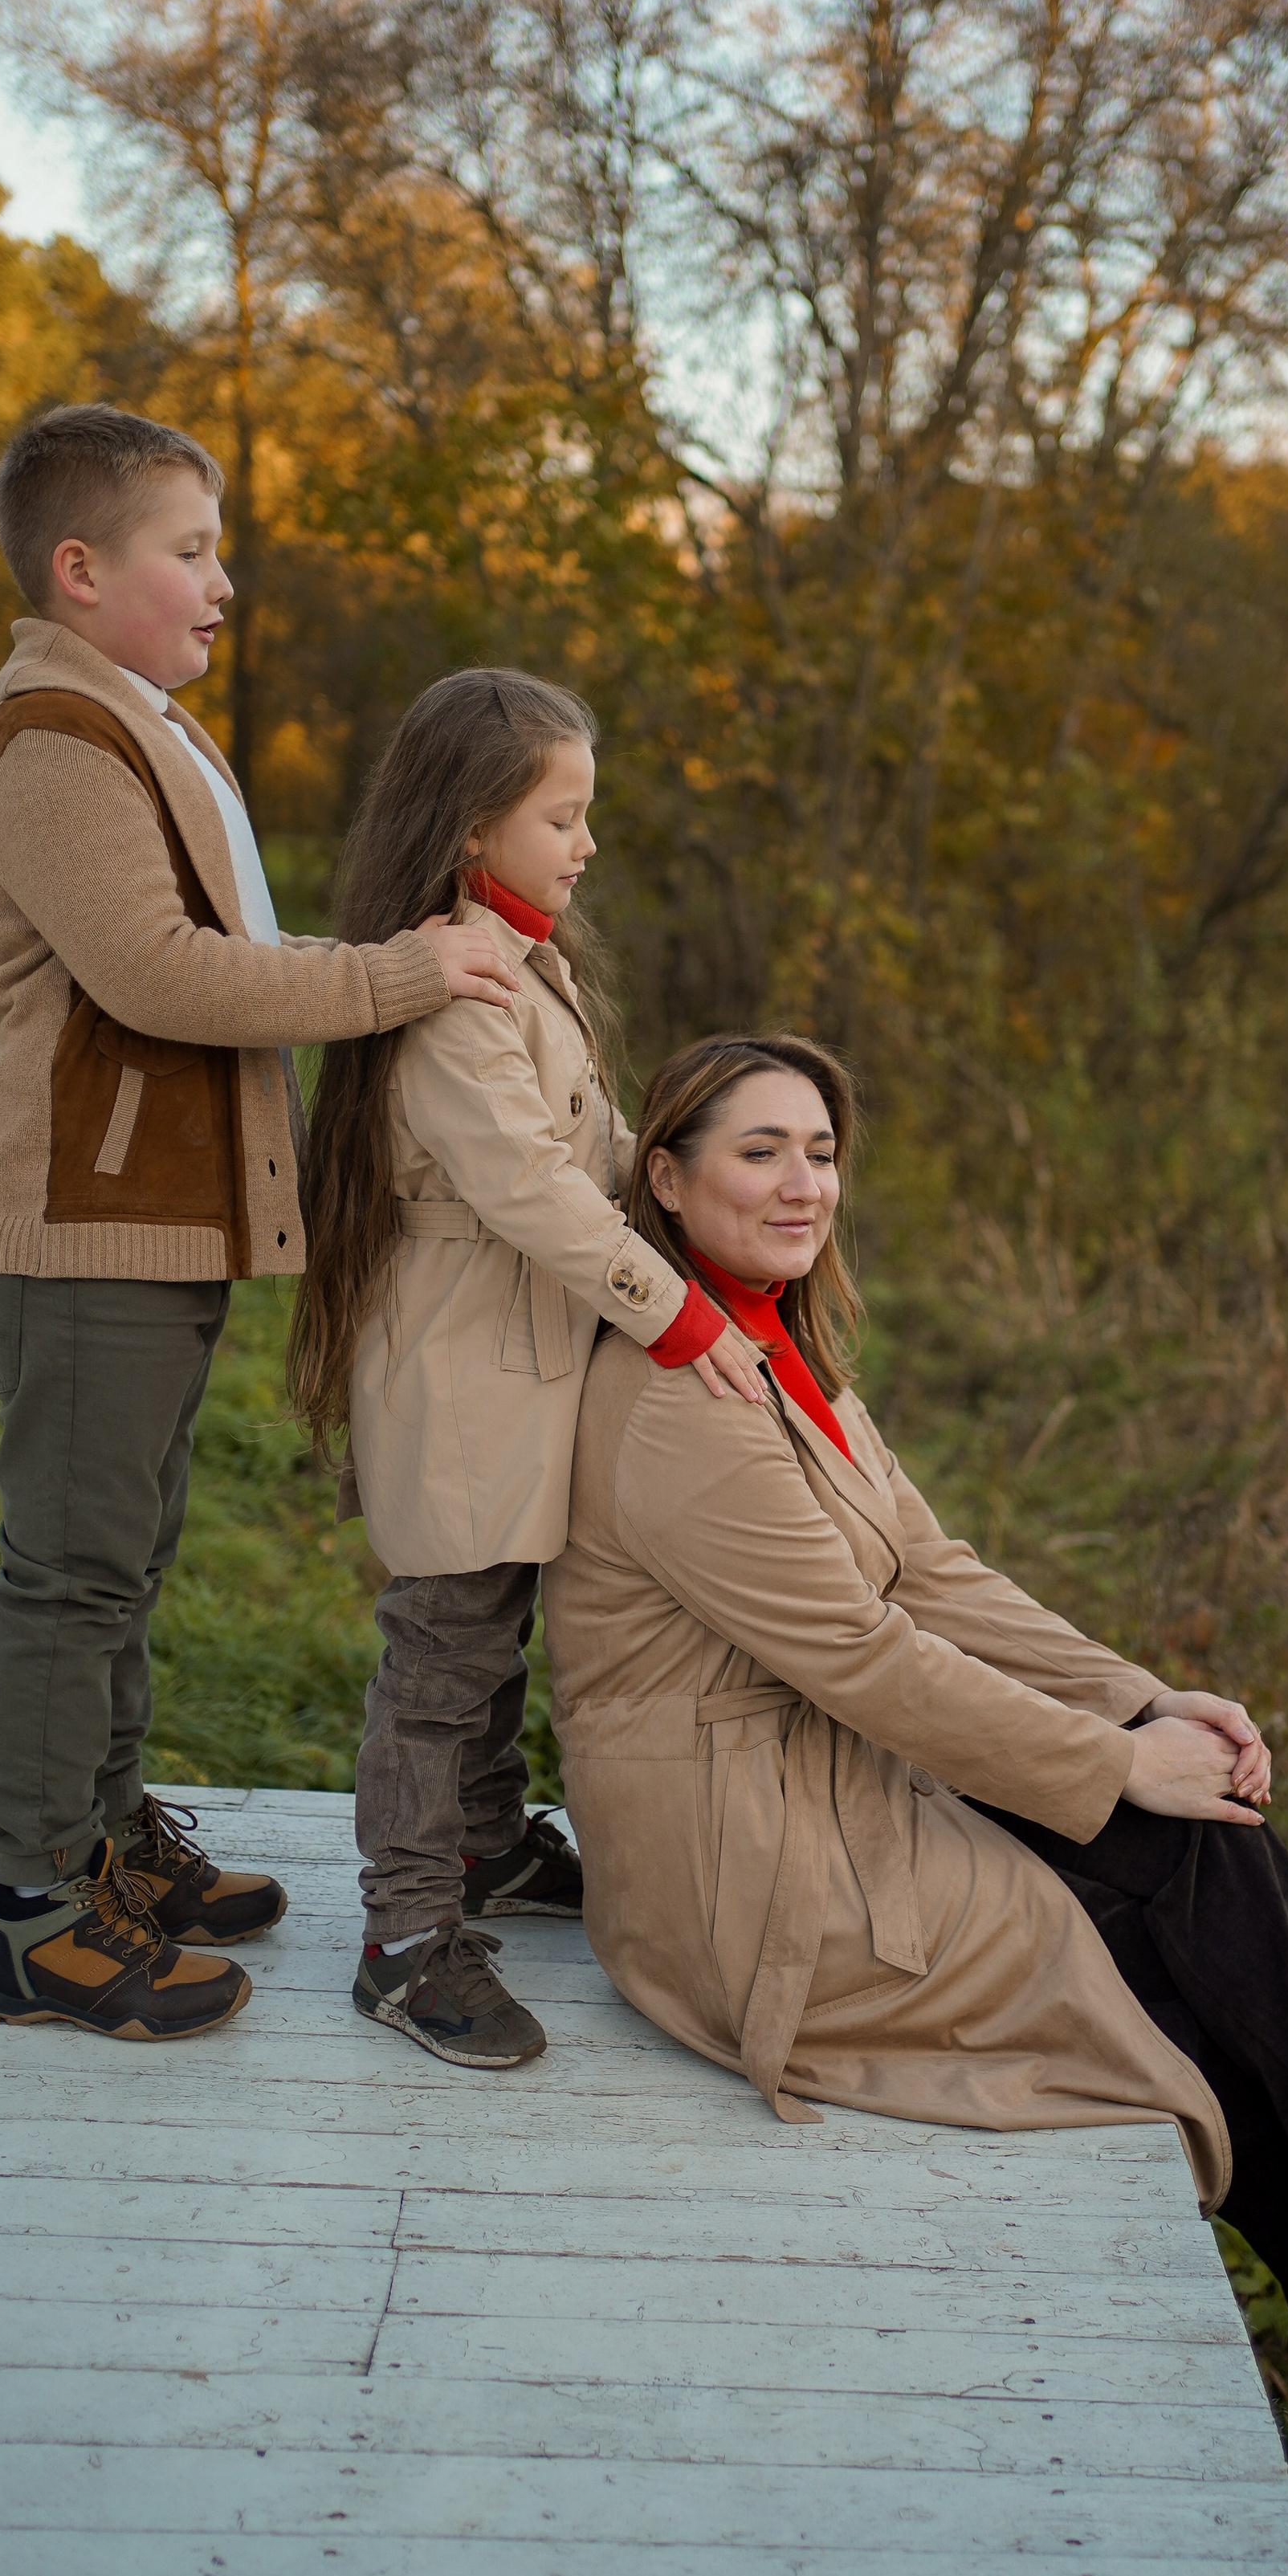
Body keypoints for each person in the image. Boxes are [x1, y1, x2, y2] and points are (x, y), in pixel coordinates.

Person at [541, 1033, 1288, 2452]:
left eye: (821, 1152)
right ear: (664, 1174)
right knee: (1166, 1952)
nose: (801, 1186)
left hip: (820, 1789)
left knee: (1202, 1869)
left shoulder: (768, 1349)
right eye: (759, 1151)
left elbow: (933, 1571)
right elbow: (861, 1655)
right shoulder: (679, 1403)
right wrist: (1113, 1764)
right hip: (748, 1872)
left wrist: (1141, 1702)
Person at [0, 401, 520, 2044]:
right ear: (78, 571)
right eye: (188, 553)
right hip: (82, 1224)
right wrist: (401, 972)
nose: (223, 583)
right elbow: (164, 976)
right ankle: (36, 1916)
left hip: (151, 1221)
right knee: (67, 1574)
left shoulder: (138, 718)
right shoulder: (57, 743)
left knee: (117, 1564)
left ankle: (108, 1848)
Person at [287, 672, 770, 2070]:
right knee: (443, 1648)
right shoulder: (455, 990)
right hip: (461, 1365)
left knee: (492, 1621)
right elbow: (527, 1189)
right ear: (471, 824)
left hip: (525, 1354)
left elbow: (599, 1149)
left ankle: (488, 1845)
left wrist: (696, 1200)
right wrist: (679, 1311)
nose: (587, 842)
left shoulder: (524, 957)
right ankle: (403, 1933)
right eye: (563, 815)